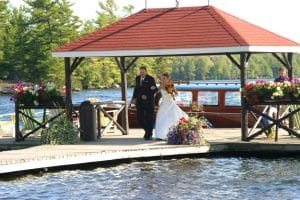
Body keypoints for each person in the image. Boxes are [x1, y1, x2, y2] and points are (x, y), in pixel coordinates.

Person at [155, 73, 188, 140]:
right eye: (162, 78)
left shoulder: (171, 85)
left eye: (164, 78)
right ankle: (160, 135)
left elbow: (176, 94)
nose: (163, 79)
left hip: (170, 103)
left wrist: (173, 95)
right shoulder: (161, 85)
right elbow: (156, 92)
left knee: (170, 118)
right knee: (160, 118)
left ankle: (169, 134)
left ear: (168, 79)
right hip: (164, 104)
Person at [131, 66, 158, 140]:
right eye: (141, 71)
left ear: (146, 71)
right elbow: (136, 89)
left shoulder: (151, 79)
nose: (142, 73)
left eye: (143, 71)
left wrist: (147, 95)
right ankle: (148, 131)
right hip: (139, 102)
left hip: (149, 102)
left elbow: (154, 90)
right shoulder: (137, 78)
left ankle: (148, 134)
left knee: (148, 118)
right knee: (140, 118)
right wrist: (134, 98)